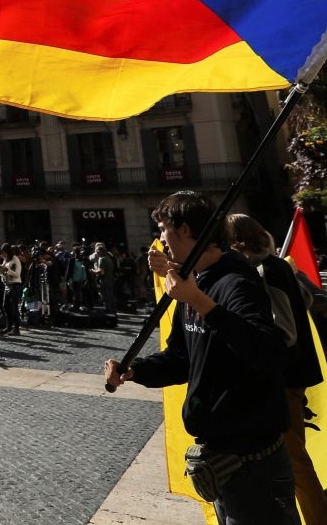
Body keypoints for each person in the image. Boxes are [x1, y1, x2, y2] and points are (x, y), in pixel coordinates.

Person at [104, 192, 294, 525]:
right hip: (220, 457)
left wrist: (201, 302)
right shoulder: (193, 284)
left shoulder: (235, 283)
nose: (161, 240)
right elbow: (182, 357)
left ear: (186, 229)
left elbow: (268, 352)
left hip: (252, 459)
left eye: (164, 229)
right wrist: (135, 371)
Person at [227, 213, 327, 525]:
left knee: (295, 463)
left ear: (236, 241)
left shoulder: (264, 271)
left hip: (284, 379)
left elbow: (284, 332)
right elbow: (306, 299)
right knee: (291, 459)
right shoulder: (278, 266)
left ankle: (318, 520)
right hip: (294, 376)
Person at [0, 245, 23, 335]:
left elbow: (17, 274)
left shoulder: (15, 259)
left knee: (14, 307)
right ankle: (9, 326)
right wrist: (1, 270)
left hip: (15, 285)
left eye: (4, 252)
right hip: (7, 285)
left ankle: (16, 329)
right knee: (6, 306)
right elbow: (3, 273)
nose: (3, 254)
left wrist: (6, 270)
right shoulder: (6, 259)